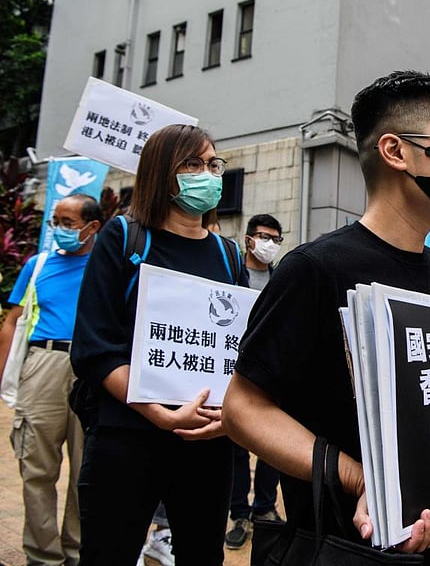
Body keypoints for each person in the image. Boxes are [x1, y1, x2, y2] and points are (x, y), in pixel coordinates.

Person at [222, 70, 430, 564]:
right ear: (396, 151)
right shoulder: (315, 268)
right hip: (340, 545)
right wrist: (363, 480)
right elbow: (243, 409)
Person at [70, 123, 248, 565]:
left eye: (212, 164)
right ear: (161, 172)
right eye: (191, 164)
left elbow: (244, 353)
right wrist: (160, 414)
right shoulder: (124, 237)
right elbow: (94, 347)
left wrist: (229, 418)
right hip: (127, 436)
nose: (206, 174)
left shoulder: (229, 255)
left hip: (208, 441)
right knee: (108, 551)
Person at [0, 194, 101, 566]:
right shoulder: (37, 264)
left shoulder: (107, 264)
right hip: (43, 363)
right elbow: (12, 321)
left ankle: (77, 550)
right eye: (55, 221)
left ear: (93, 227)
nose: (58, 229)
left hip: (91, 366)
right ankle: (42, 556)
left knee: (86, 468)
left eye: (68, 222)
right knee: (36, 467)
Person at [225, 213, 285, 549]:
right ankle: (239, 514)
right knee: (235, 446)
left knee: (271, 446)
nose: (269, 245)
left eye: (275, 239)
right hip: (233, 371)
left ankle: (264, 508)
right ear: (248, 239)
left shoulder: (280, 278)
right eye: (264, 237)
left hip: (270, 372)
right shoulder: (231, 275)